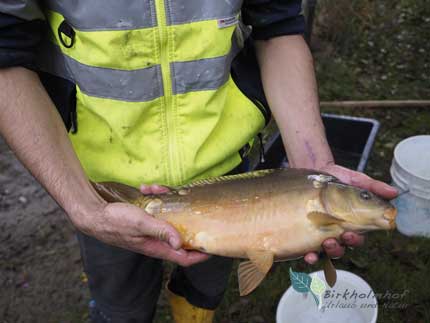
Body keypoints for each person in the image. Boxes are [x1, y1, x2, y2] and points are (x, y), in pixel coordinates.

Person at [0, 1, 398, 322]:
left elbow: (277, 26)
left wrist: (313, 165)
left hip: (232, 169)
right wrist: (82, 207)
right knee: (120, 302)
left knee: (207, 283)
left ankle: (192, 311)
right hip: (102, 185)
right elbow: (5, 50)